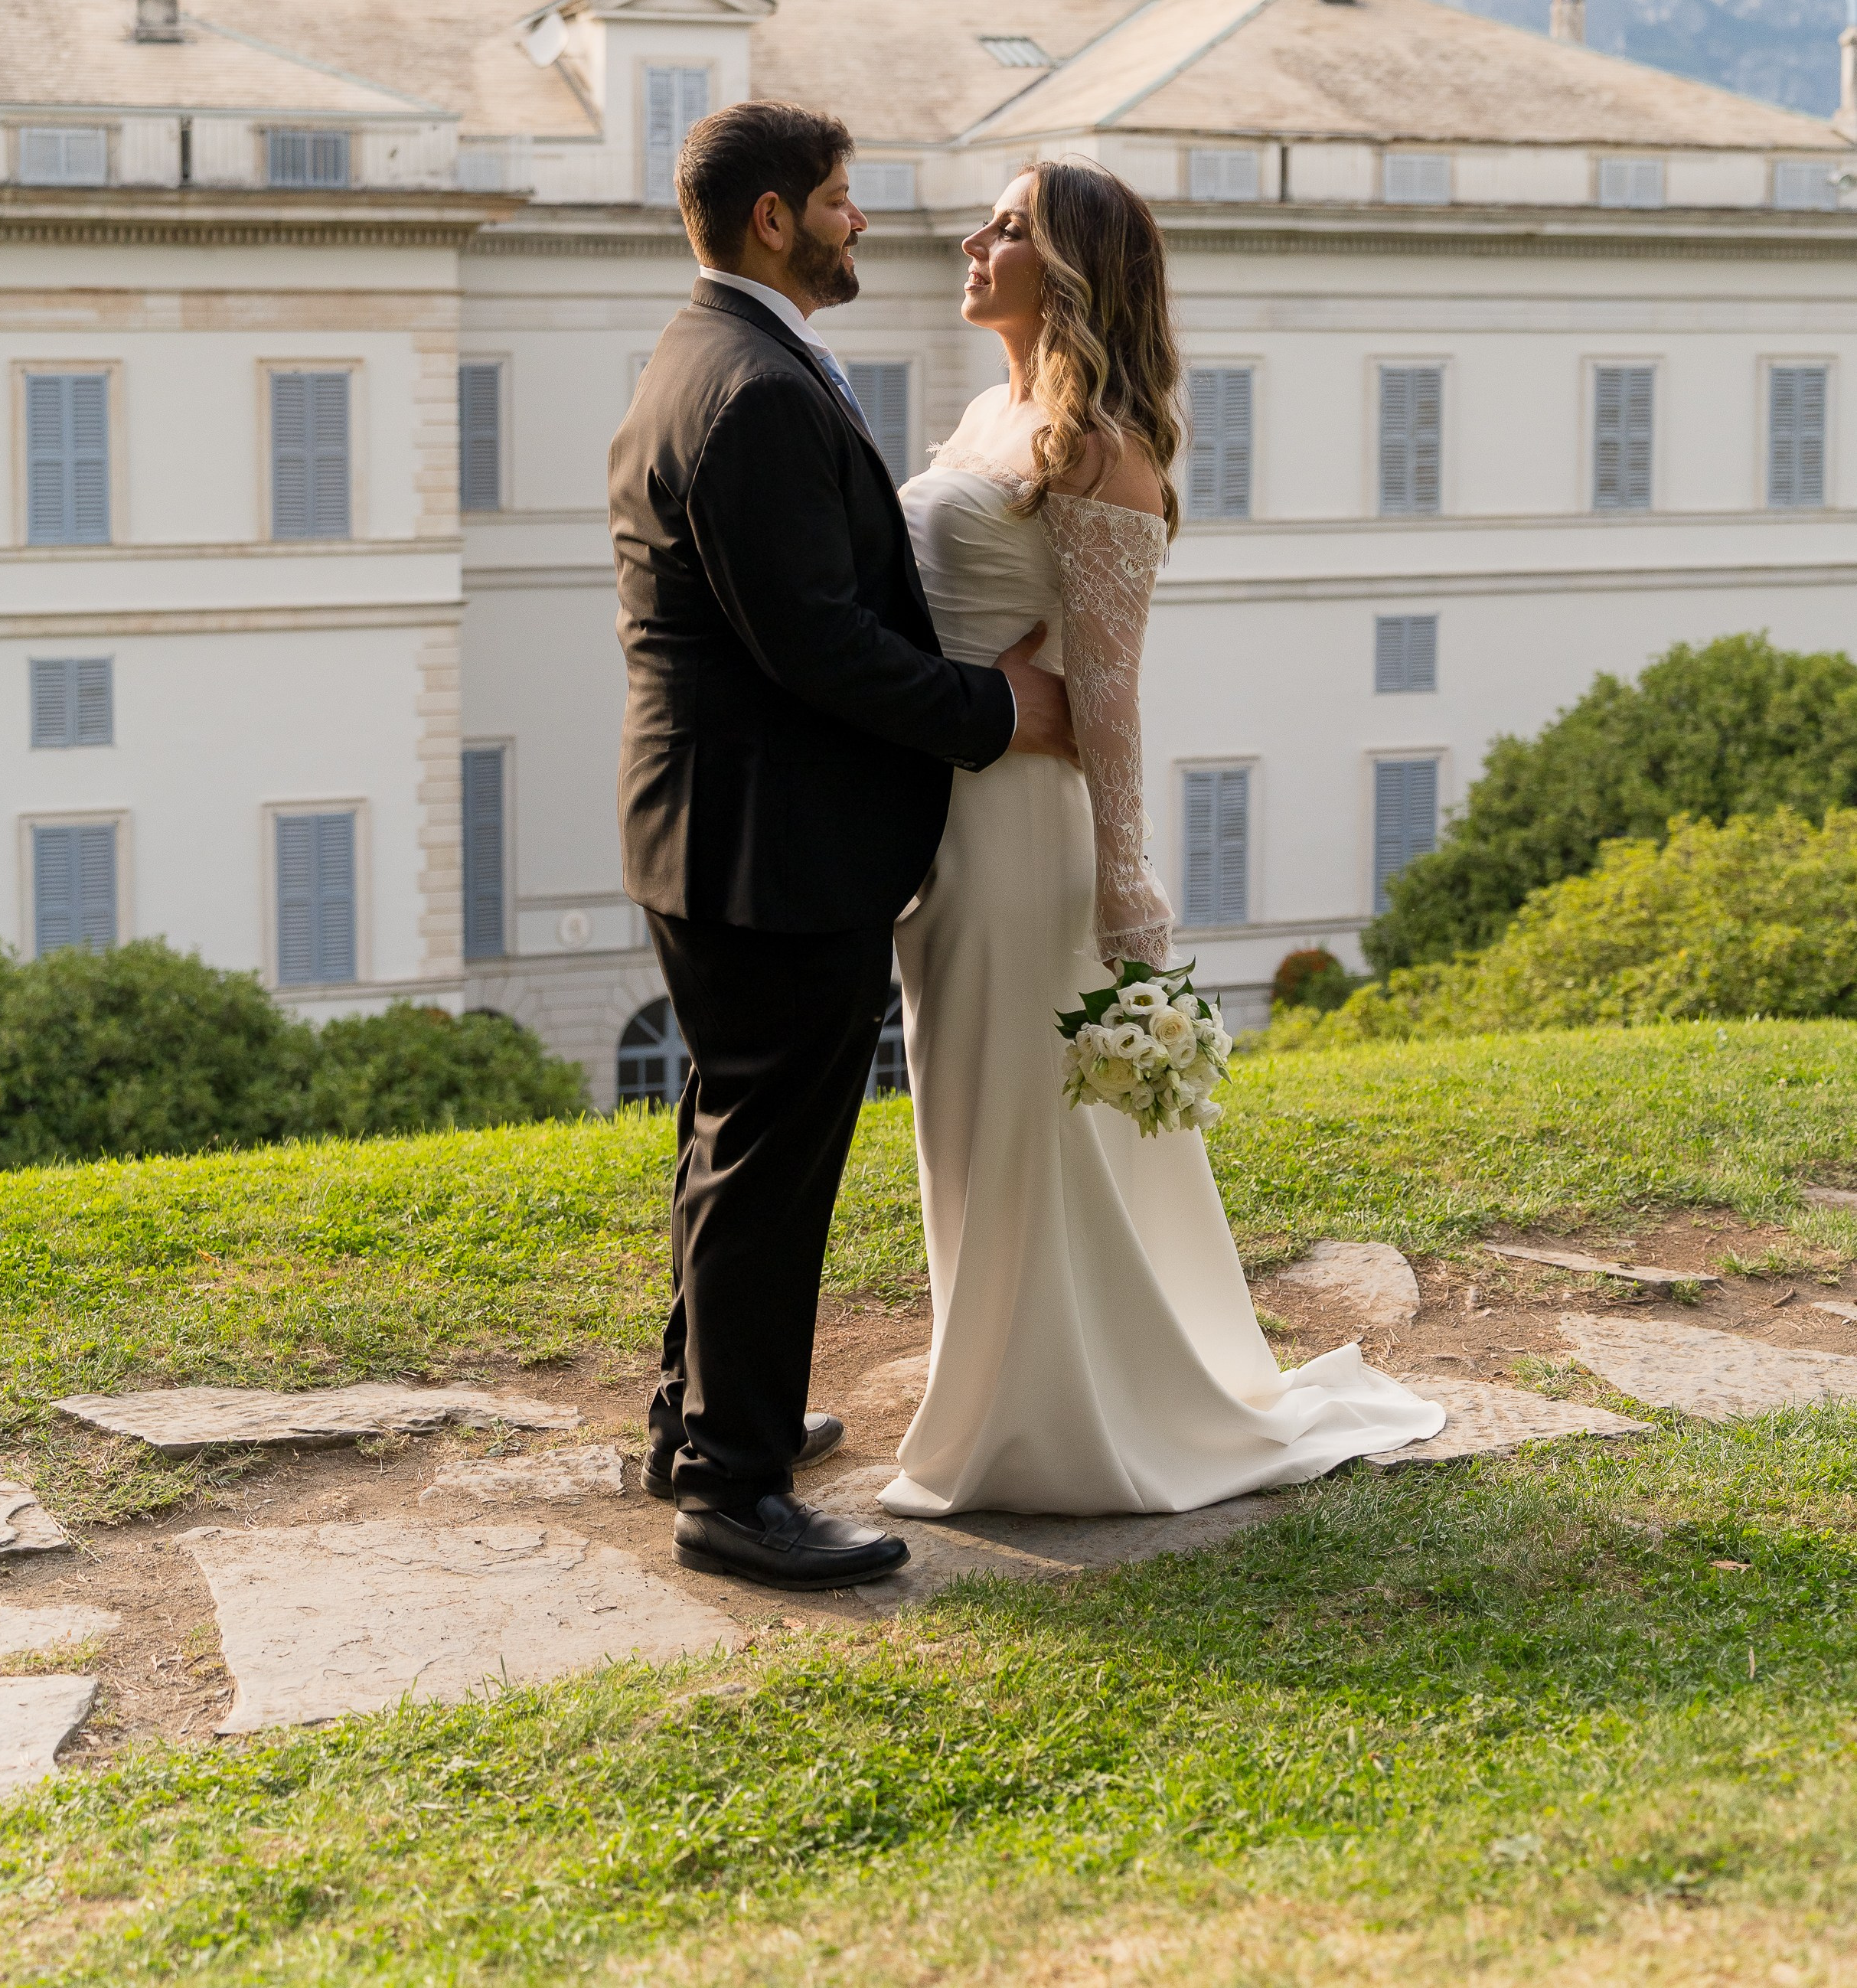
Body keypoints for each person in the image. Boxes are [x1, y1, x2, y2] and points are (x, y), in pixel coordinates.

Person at [882, 160, 1444, 1516]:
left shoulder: (1100, 448)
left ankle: (1057, 1415)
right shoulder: (981, 416)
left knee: (1030, 1124)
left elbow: (1114, 686)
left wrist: (1129, 881)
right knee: (961, 1120)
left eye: (1007, 227)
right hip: (945, 822)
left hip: (1028, 839)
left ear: (1069, 268)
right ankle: (997, 1387)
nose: (972, 240)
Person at [608, 101, 1078, 1591]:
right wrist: (995, 710)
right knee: (770, 1159)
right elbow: (811, 642)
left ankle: (700, 1421)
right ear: (773, 221)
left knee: (726, 1132)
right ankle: (735, 1493)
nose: (859, 221)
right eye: (838, 199)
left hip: (727, 827)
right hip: (768, 838)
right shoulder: (748, 388)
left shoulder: (714, 356)